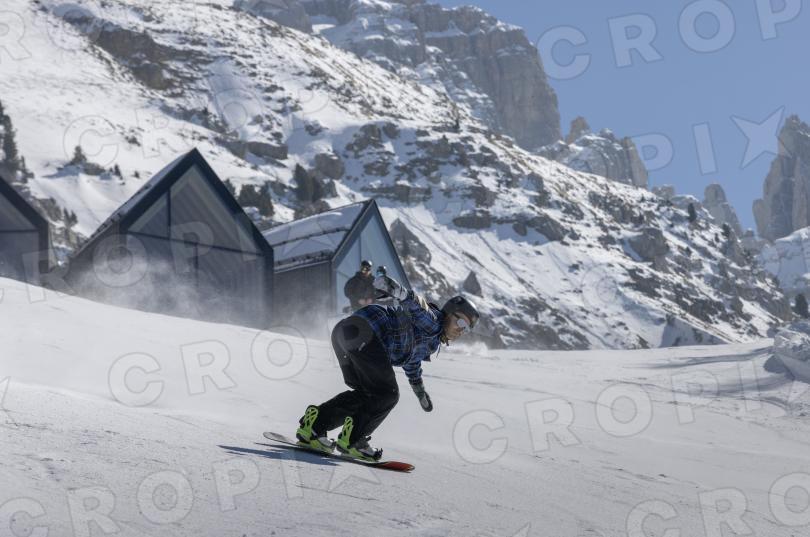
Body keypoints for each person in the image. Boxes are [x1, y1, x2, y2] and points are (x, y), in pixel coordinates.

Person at [294, 275, 480, 461]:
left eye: (467, 328)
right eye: (461, 322)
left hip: (345, 332)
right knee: (387, 394)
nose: (461, 330)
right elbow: (417, 306)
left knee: (367, 394)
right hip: (363, 332)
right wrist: (398, 291)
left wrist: (420, 392)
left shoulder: (429, 340)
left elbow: (412, 364)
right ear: (449, 313)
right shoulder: (433, 322)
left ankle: (314, 426)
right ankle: (354, 441)